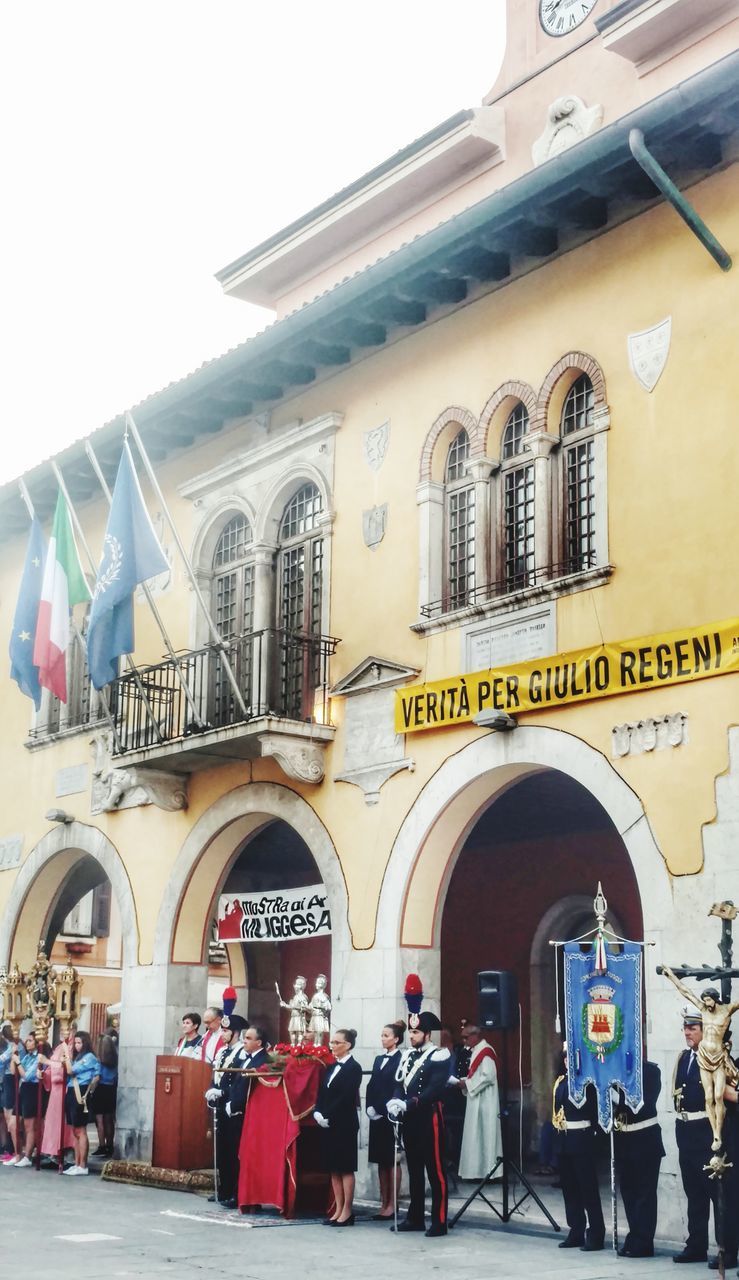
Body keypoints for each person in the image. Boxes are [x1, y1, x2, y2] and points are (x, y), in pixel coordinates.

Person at [387, 1010, 451, 1237]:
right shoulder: (407, 1056)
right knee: (414, 1170)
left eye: (415, 1032)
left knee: (435, 1172)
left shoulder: (439, 1056)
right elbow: (399, 1082)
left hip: (429, 1118)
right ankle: (415, 1218)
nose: (411, 1036)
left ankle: (440, 1220)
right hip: (411, 1119)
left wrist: (410, 1103)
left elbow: (434, 1089)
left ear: (427, 1034)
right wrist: (395, 1099)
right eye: (410, 1032)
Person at [672, 1010, 720, 1264]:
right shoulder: (683, 1058)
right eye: (686, 1028)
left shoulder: (715, 1057)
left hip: (706, 1132)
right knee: (694, 1194)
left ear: (705, 1030)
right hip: (686, 1132)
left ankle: (725, 1248)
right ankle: (696, 1245)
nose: (688, 1032)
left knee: (716, 1193)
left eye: (693, 1028)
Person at [551, 1043, 605, 1251]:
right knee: (570, 1190)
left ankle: (596, 1234)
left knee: (587, 1190)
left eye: (571, 1058)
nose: (567, 1061)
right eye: (565, 1057)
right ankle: (576, 1231)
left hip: (582, 1140)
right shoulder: (561, 1082)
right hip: (564, 1140)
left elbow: (593, 1112)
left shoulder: (587, 1083)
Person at [612, 1057, 665, 1258]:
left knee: (645, 1194)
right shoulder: (614, 1072)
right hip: (624, 1140)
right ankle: (635, 1236)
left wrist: (615, 1091)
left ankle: (644, 1242)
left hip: (645, 1140)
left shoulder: (650, 1071)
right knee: (628, 1192)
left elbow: (640, 1102)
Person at [314, 1027, 363, 1226]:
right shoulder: (331, 1067)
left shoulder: (354, 1067)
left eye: (337, 1043)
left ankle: (347, 1211)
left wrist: (329, 1114)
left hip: (344, 1123)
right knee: (333, 1168)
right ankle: (338, 1208)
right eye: (331, 1043)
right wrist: (318, 1111)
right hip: (328, 1123)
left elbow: (346, 1097)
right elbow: (323, 1092)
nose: (332, 1046)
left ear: (348, 1045)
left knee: (345, 1167)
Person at [205, 1013, 249, 1207]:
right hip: (220, 1105)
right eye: (222, 1030)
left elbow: (239, 1082)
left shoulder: (241, 1053)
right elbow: (215, 1076)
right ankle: (223, 1189)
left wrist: (222, 1092)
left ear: (236, 1033)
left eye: (226, 1031)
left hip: (233, 1106)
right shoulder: (222, 1052)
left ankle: (234, 1191)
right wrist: (211, 1091)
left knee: (233, 1150)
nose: (222, 1034)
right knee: (221, 1149)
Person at [366, 1020, 406, 1219]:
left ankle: (393, 1203)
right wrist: (370, 1107)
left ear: (396, 1039)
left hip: (391, 1114)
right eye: (382, 1035)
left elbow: (397, 1085)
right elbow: (372, 1084)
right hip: (377, 1115)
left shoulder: (401, 1058)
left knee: (392, 1160)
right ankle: (383, 1203)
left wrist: (385, 1108)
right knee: (380, 1160)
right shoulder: (378, 1059)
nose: (383, 1039)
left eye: (387, 1035)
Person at [456, 1023, 502, 1180]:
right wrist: (463, 1082)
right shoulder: (477, 1051)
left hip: (486, 1101)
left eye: (466, 1037)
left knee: (486, 1135)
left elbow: (488, 1076)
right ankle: (477, 1172)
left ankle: (489, 1172)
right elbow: (476, 1076)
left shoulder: (486, 1051)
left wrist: (467, 1084)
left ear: (475, 1035)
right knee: (477, 1136)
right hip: (477, 1099)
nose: (464, 1041)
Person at [62, 1031, 100, 1175]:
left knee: (80, 1130)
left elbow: (71, 1070)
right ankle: (77, 1163)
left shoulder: (89, 1057)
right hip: (72, 1091)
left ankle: (83, 1165)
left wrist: (65, 1051)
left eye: (79, 1043)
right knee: (74, 1130)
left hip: (81, 1092)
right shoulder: (79, 1057)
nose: (77, 1046)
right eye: (75, 1043)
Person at [38, 1026, 76, 1168]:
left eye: (67, 1030)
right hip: (55, 1092)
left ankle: (66, 1154)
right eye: (62, 1030)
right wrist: (43, 1074)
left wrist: (47, 1062)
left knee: (64, 1125)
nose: (63, 1033)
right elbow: (51, 1068)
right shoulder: (59, 1047)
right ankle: (52, 1153)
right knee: (53, 1123)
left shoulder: (71, 1048)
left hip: (64, 1090)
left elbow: (65, 1067)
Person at [12, 1031, 47, 1167]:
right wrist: (13, 1058)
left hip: (32, 1089)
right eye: (26, 1041)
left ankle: (27, 1155)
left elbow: (27, 1075)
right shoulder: (27, 1057)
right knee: (19, 1124)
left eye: (30, 1040)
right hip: (24, 1089)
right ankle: (20, 1153)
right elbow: (15, 1071)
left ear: (37, 1043)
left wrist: (18, 1062)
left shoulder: (38, 1057)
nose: (27, 1043)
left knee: (30, 1125)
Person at [93, 1022, 119, 1156]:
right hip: (111, 1088)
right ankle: (110, 1144)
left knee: (100, 1120)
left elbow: (96, 1076)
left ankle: (101, 1145)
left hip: (100, 1088)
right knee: (109, 1119)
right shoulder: (114, 1059)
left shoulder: (99, 1060)